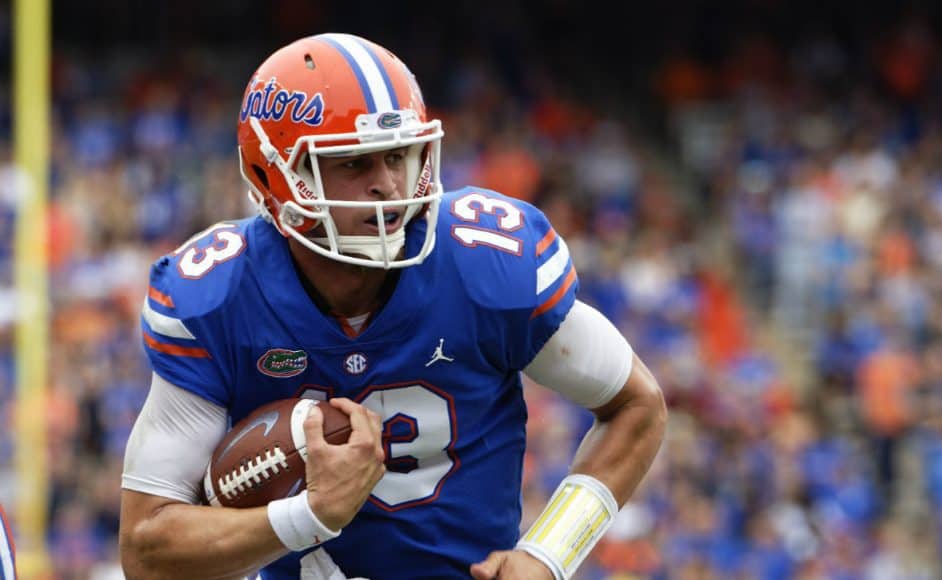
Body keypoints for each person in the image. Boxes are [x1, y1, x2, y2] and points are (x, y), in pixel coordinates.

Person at [118, 32, 666, 580]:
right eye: (354, 164)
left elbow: (637, 407)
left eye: (399, 156)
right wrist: (305, 516)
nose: (387, 186)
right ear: (274, 175)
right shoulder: (219, 297)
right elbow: (147, 548)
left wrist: (549, 555)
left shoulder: (486, 265)